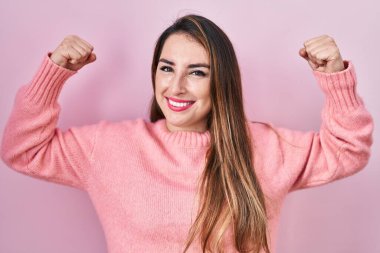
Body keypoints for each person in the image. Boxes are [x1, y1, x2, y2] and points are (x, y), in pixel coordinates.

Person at [0, 14, 373, 253]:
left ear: (220, 81)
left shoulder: (265, 149)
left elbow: (348, 150)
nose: (175, 87)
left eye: (197, 72)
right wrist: (53, 74)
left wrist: (334, 78)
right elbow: (23, 150)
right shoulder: (110, 147)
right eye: (166, 68)